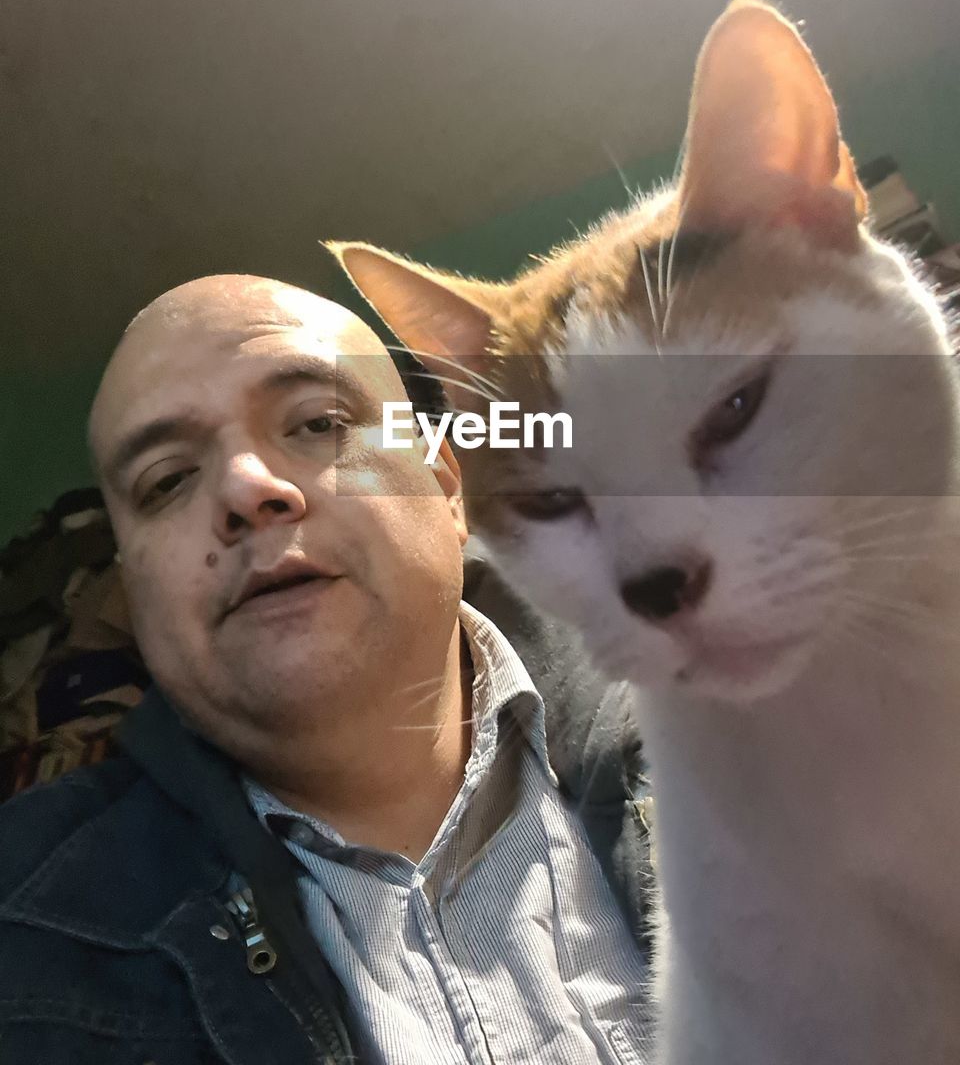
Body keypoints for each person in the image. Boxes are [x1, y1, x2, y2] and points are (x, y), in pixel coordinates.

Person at [0, 275, 654, 1064]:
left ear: (449, 487)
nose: (247, 488)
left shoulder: (769, 726)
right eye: (167, 481)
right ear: (131, 585)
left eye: (317, 423)